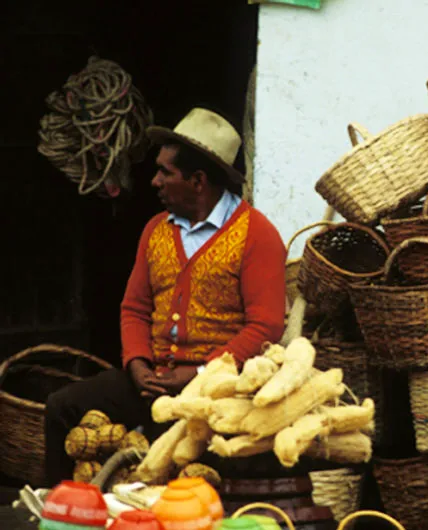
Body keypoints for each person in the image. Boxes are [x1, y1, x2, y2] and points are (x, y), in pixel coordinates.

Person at [45, 108, 286, 484]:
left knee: (185, 460)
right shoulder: (156, 230)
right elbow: (134, 309)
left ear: (198, 180)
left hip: (218, 390)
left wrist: (202, 373)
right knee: (62, 407)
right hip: (153, 380)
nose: (154, 181)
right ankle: (61, 514)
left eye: (165, 172)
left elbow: (266, 324)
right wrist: (137, 364)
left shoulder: (257, 234)